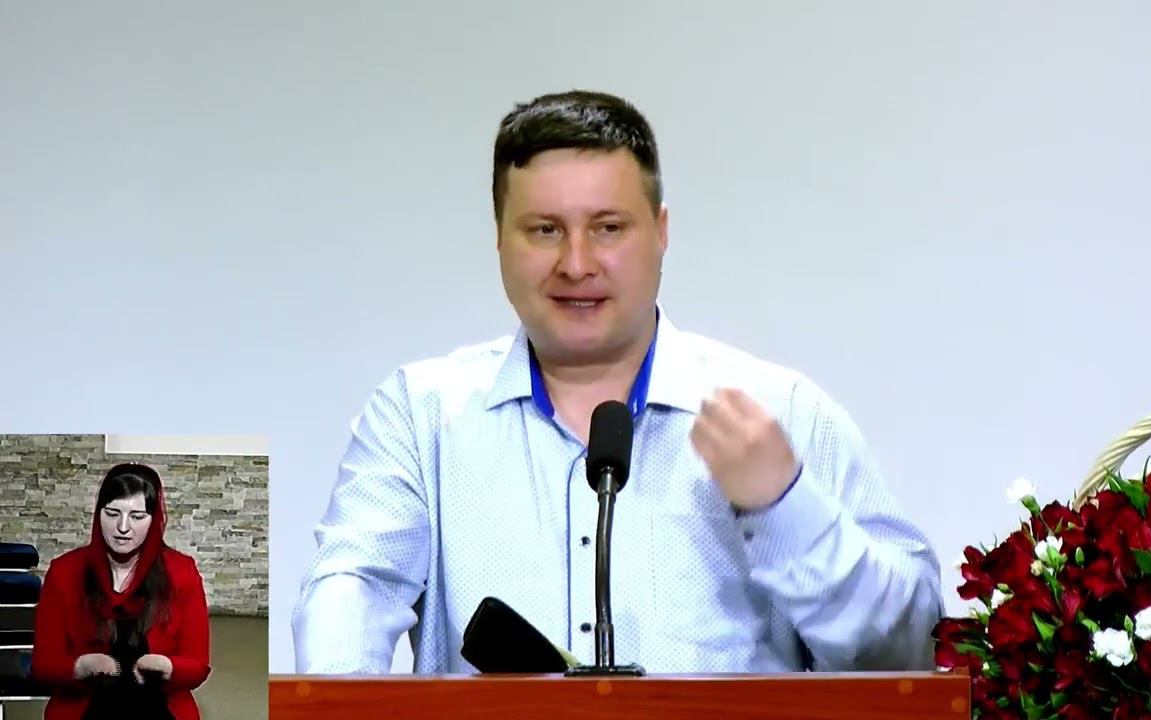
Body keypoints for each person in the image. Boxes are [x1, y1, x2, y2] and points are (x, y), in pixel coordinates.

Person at [292, 90, 943, 674]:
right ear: (499, 240)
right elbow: (353, 590)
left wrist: (786, 509)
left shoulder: (785, 413)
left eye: (608, 228)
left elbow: (906, 654)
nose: (576, 264)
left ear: (661, 233)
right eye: (544, 230)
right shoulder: (420, 415)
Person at [32, 463, 211, 720]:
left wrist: (168, 666)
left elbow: (198, 667)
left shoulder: (182, 572)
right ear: (98, 514)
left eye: (137, 516)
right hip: (85, 710)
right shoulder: (64, 571)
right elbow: (43, 666)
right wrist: (80, 667)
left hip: (159, 707)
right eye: (112, 513)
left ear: (154, 519)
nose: (123, 527)